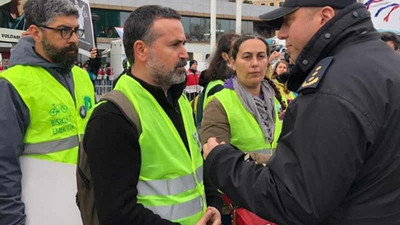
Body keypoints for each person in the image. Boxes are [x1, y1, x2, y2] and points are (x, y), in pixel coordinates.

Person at [202, 0, 400, 224]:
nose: (282, 33)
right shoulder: (384, 63)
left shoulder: (332, 85)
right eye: (247, 57)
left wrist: (224, 162)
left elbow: (295, 199)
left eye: (288, 21)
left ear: (324, 17)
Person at [82, 5, 221, 225]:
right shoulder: (113, 117)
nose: (185, 54)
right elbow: (117, 214)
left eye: (183, 43)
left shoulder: (180, 100)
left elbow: (194, 167)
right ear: (141, 50)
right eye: (175, 45)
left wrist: (214, 205)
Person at [0, 0, 95, 224]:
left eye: (75, 30)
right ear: (36, 33)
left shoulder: (82, 78)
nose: (73, 39)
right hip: (40, 212)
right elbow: (4, 167)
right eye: (64, 31)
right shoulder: (12, 85)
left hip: (83, 209)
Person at [201, 34, 286, 225]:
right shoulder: (220, 102)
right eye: (247, 57)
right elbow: (215, 155)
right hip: (239, 203)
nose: (255, 63)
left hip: (273, 195)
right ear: (232, 62)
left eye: (260, 56)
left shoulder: (273, 99)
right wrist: (279, 162)